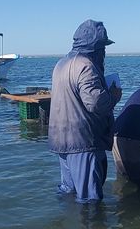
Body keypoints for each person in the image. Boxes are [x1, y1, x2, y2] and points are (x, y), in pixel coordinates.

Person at [49, 19, 121, 203]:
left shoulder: (61, 64)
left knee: (69, 191)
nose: (104, 52)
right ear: (96, 47)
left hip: (61, 138)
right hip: (82, 140)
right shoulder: (86, 66)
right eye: (103, 47)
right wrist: (113, 96)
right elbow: (96, 104)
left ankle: (67, 219)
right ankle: (92, 223)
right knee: (90, 199)